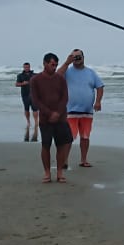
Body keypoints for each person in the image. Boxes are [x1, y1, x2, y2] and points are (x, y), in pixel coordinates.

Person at [58, 47, 105, 167]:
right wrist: (67, 62)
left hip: (87, 112)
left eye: (79, 56)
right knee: (69, 137)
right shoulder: (67, 71)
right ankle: (64, 161)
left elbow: (100, 86)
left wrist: (98, 102)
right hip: (71, 111)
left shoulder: (90, 72)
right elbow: (57, 76)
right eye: (74, 57)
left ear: (83, 58)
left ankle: (83, 160)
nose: (77, 59)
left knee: (85, 137)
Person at [29, 52, 72, 183]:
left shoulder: (60, 79)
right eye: (52, 64)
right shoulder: (35, 80)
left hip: (61, 118)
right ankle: (47, 172)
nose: (54, 67)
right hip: (45, 119)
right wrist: (49, 113)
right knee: (46, 145)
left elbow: (65, 97)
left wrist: (58, 113)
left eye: (56, 65)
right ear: (45, 63)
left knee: (61, 145)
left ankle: (59, 172)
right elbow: (36, 100)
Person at [15, 61, 37, 140]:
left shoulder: (34, 75)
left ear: (30, 67)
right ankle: (28, 122)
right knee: (26, 109)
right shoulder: (20, 75)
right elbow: (16, 84)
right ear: (24, 67)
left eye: (28, 67)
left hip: (34, 95)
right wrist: (22, 84)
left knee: (35, 109)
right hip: (25, 94)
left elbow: (40, 82)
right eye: (25, 67)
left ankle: (36, 122)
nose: (27, 68)